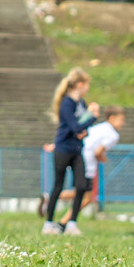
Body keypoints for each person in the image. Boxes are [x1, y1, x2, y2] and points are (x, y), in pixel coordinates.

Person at [42, 68, 98, 235]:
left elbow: (82, 128)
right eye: (87, 85)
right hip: (63, 149)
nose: (87, 88)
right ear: (80, 84)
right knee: (58, 186)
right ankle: (48, 223)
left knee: (81, 186)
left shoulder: (81, 103)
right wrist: (92, 117)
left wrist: (84, 128)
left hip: (77, 149)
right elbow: (76, 126)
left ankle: (72, 223)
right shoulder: (67, 103)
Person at [81, 107, 126, 213]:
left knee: (81, 193)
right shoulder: (113, 135)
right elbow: (97, 152)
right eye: (121, 120)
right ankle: (66, 220)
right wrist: (103, 159)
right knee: (86, 197)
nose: (123, 123)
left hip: (78, 156)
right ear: (112, 118)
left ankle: (51, 199)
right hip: (87, 163)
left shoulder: (99, 127)